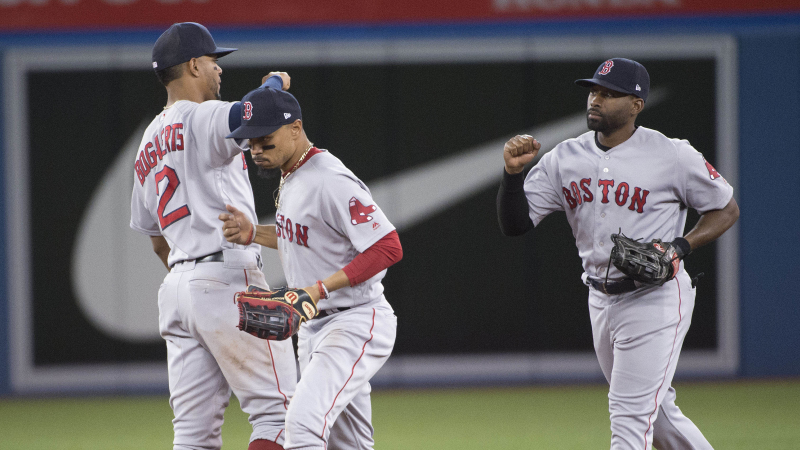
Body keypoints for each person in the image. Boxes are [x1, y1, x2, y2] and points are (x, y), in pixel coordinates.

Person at [497, 58, 739, 450]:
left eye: (610, 94)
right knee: (657, 418)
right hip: (600, 298)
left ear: (635, 105)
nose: (596, 99)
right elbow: (516, 224)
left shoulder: (671, 154)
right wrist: (511, 176)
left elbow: (726, 208)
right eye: (594, 90)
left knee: (628, 420)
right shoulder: (565, 158)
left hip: (656, 296)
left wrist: (680, 246)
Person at [129, 22, 297, 450]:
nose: (219, 70)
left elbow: (155, 239)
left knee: (192, 435)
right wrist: (275, 83)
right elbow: (259, 110)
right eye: (213, 61)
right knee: (282, 418)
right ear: (193, 65)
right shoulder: (202, 116)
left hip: (178, 290)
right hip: (225, 277)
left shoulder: (146, 143)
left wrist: (191, 279)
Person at [218, 86, 402, 450]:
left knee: (302, 425)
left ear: (295, 128)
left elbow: (387, 246)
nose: (256, 150)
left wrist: (318, 289)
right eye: (250, 142)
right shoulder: (294, 173)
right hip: (316, 327)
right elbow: (304, 236)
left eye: (265, 139)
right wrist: (255, 233)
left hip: (355, 320)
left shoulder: (329, 178)